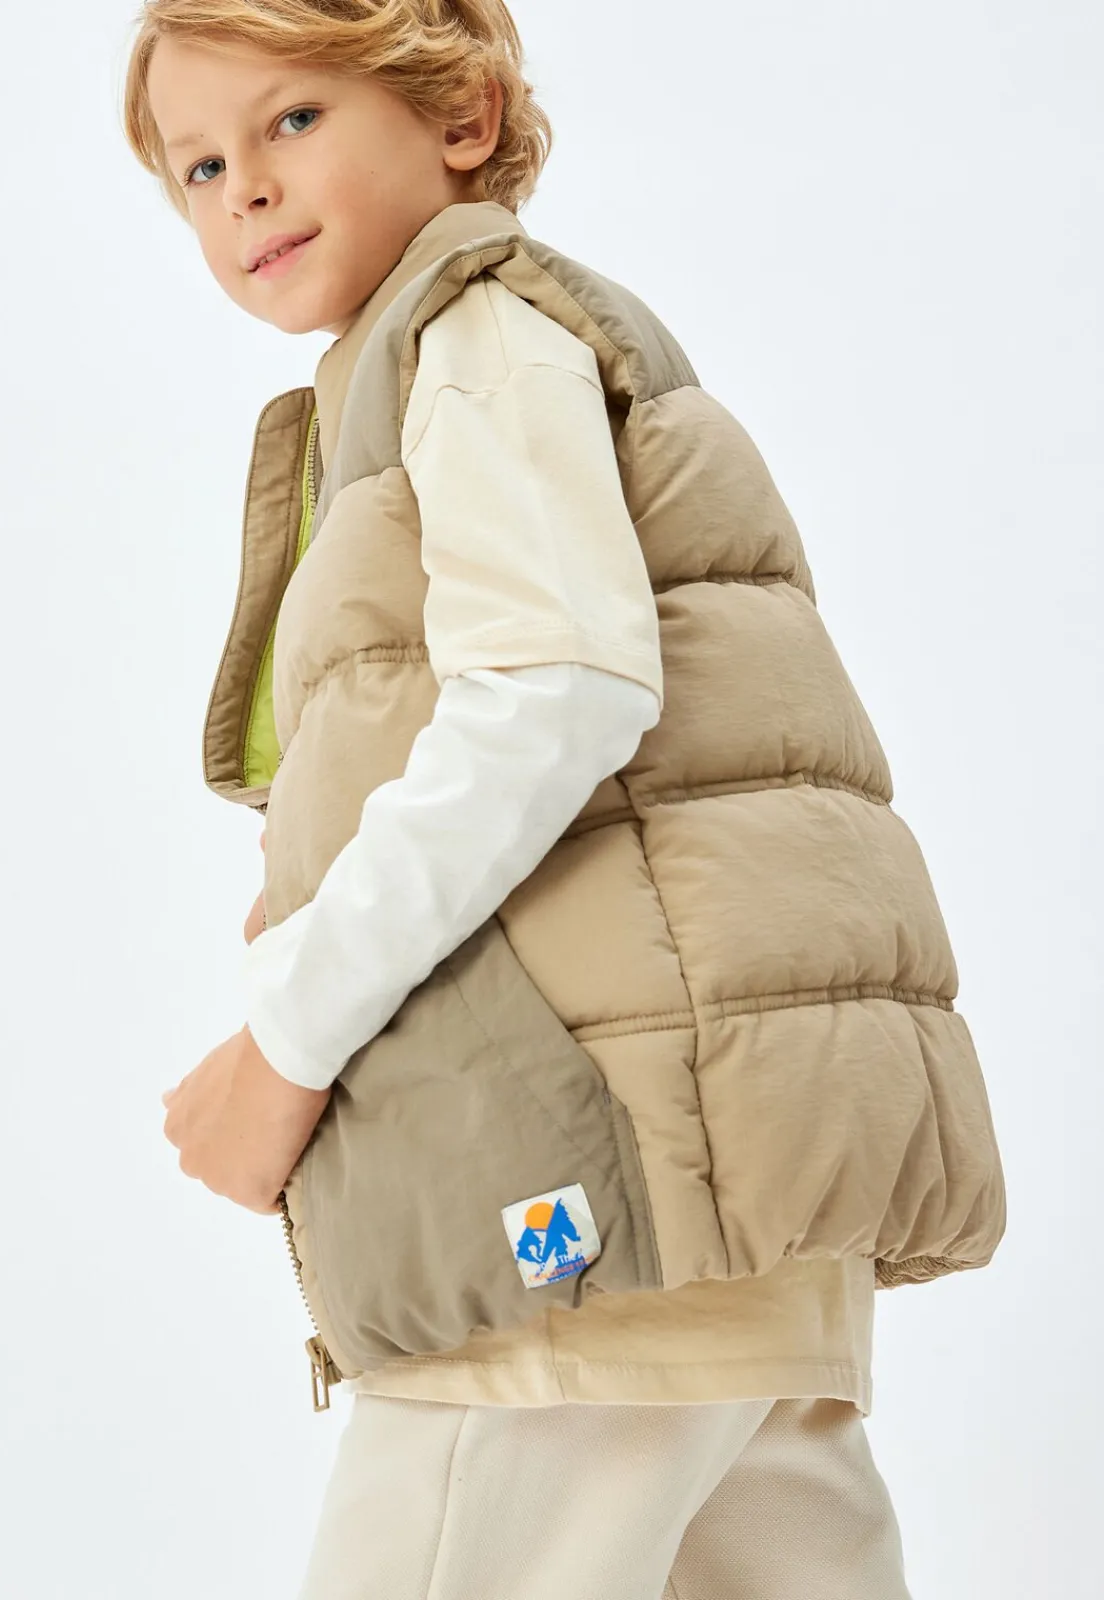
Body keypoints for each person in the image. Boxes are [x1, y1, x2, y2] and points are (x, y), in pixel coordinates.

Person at [123, 3, 1008, 1596]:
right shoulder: (487, 356)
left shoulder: (471, 341)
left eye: (292, 121)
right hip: (723, 1230)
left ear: (463, 115)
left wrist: (286, 1040)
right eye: (197, 165)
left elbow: (555, 695)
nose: (242, 186)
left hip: (586, 1218)